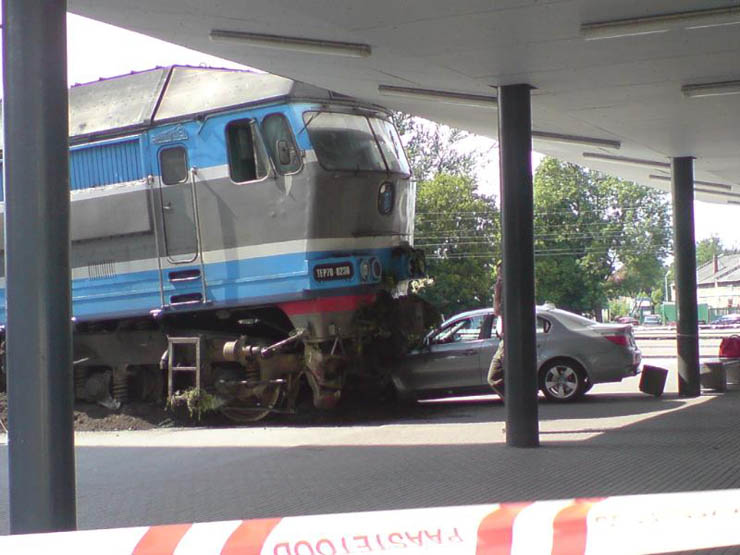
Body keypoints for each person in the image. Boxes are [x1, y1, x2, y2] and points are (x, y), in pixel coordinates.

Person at [487, 261, 504, 398]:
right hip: (504, 340)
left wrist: (497, 290)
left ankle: (514, 403)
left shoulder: (505, 289)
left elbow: (497, 311)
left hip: (507, 341)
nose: (498, 279)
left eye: (499, 275)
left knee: (493, 378)